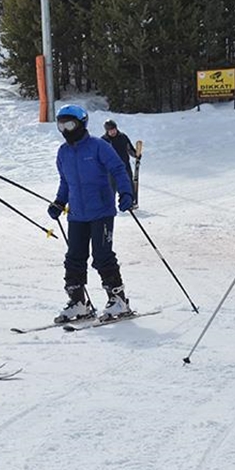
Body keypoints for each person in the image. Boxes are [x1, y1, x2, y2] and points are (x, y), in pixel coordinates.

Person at [47, 105, 136, 324]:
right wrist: (59, 202)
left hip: (101, 211)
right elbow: (65, 182)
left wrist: (126, 192)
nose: (66, 130)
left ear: (81, 123)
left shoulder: (98, 146)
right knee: (74, 258)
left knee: (102, 255)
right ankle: (78, 303)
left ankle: (118, 300)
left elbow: (118, 169)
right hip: (76, 214)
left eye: (70, 124)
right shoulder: (63, 152)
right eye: (61, 125)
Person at [102, 119, 139, 207]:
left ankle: (130, 202)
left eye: (114, 129)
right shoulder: (103, 141)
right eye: (110, 130)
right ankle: (109, 205)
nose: (113, 132)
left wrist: (136, 155)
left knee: (127, 184)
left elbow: (130, 149)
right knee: (111, 187)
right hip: (111, 168)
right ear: (107, 131)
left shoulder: (123, 137)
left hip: (124, 166)